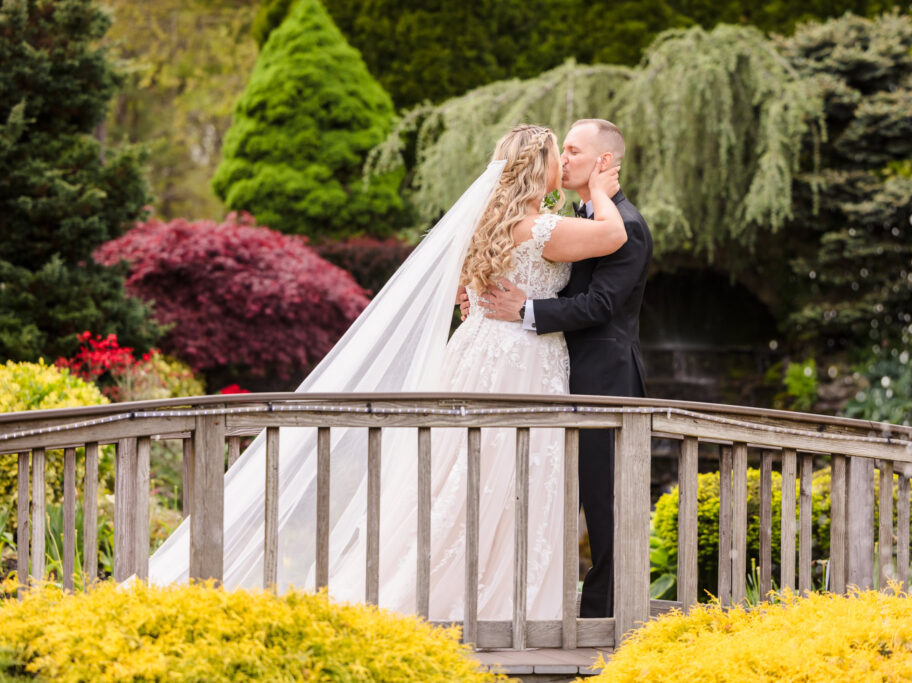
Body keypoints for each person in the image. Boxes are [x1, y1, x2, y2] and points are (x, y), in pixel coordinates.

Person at [148, 124, 627, 622]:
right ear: (537, 167)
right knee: (507, 475)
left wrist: (475, 297)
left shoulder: (489, 222)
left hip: (477, 352)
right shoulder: (540, 229)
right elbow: (614, 233)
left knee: (467, 474)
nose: (565, 162)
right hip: (519, 361)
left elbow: (468, 285)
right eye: (558, 154)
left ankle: (468, 593)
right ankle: (498, 605)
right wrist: (598, 186)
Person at [472, 119, 653, 618]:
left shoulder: (628, 226)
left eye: (575, 151)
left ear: (603, 163)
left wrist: (526, 310)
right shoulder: (567, 218)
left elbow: (600, 305)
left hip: (603, 382)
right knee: (530, 492)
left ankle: (605, 620)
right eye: (562, 151)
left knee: (605, 505)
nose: (565, 159)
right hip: (540, 373)